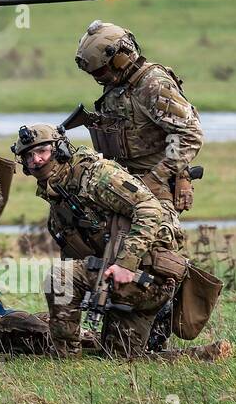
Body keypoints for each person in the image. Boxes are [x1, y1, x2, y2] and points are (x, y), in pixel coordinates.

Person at [11, 123, 187, 358]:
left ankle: (64, 358)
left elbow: (149, 208)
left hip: (149, 275)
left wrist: (126, 264)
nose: (37, 160)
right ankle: (205, 355)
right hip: (121, 281)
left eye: (42, 151)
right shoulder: (58, 204)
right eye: (29, 156)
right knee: (119, 356)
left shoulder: (95, 175)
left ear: (60, 148)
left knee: (59, 275)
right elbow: (76, 262)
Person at [75, 20, 203, 214]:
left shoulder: (153, 85)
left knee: (148, 240)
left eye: (100, 71)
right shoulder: (118, 81)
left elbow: (189, 134)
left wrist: (157, 178)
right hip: (123, 179)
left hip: (154, 184)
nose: (98, 78)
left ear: (120, 58)